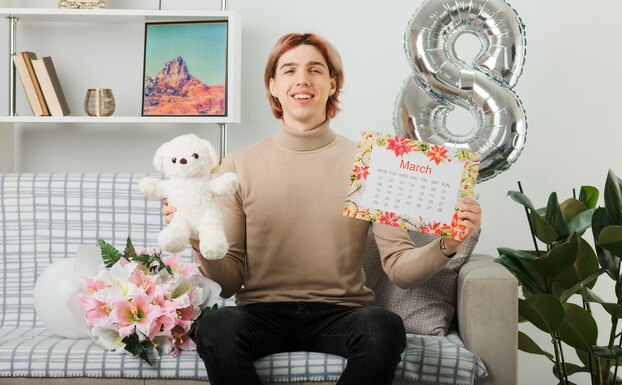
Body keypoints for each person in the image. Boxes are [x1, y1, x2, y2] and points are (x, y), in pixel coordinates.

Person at [162, 33, 482, 385]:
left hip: (343, 315)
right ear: (272, 86)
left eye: (315, 70)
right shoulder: (237, 165)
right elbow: (228, 281)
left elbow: (399, 269)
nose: (302, 80)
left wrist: (445, 246)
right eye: (289, 70)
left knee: (384, 326)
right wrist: (196, 239)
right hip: (260, 314)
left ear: (332, 84)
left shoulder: (370, 163)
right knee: (215, 326)